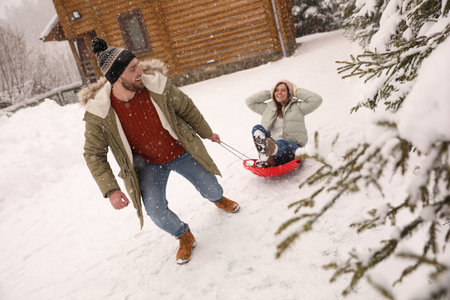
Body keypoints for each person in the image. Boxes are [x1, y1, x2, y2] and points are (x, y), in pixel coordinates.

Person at [79, 37, 240, 265]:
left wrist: (206, 132)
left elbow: (187, 108)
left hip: (180, 151)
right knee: (156, 212)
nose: (140, 71)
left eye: (139, 64)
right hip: (147, 164)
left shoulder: (158, 87)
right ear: (116, 77)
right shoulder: (99, 113)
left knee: (211, 187)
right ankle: (184, 235)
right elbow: (93, 154)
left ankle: (217, 199)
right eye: (133, 68)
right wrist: (111, 189)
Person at [245, 80, 322, 168]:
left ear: (289, 93)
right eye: (276, 90)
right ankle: (267, 158)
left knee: (281, 143)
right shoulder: (268, 108)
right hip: (272, 150)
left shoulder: (298, 107)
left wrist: (296, 91)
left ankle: (272, 154)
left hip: (292, 149)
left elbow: (316, 100)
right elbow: (249, 101)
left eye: (283, 90)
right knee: (257, 129)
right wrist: (270, 93)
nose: (279, 92)